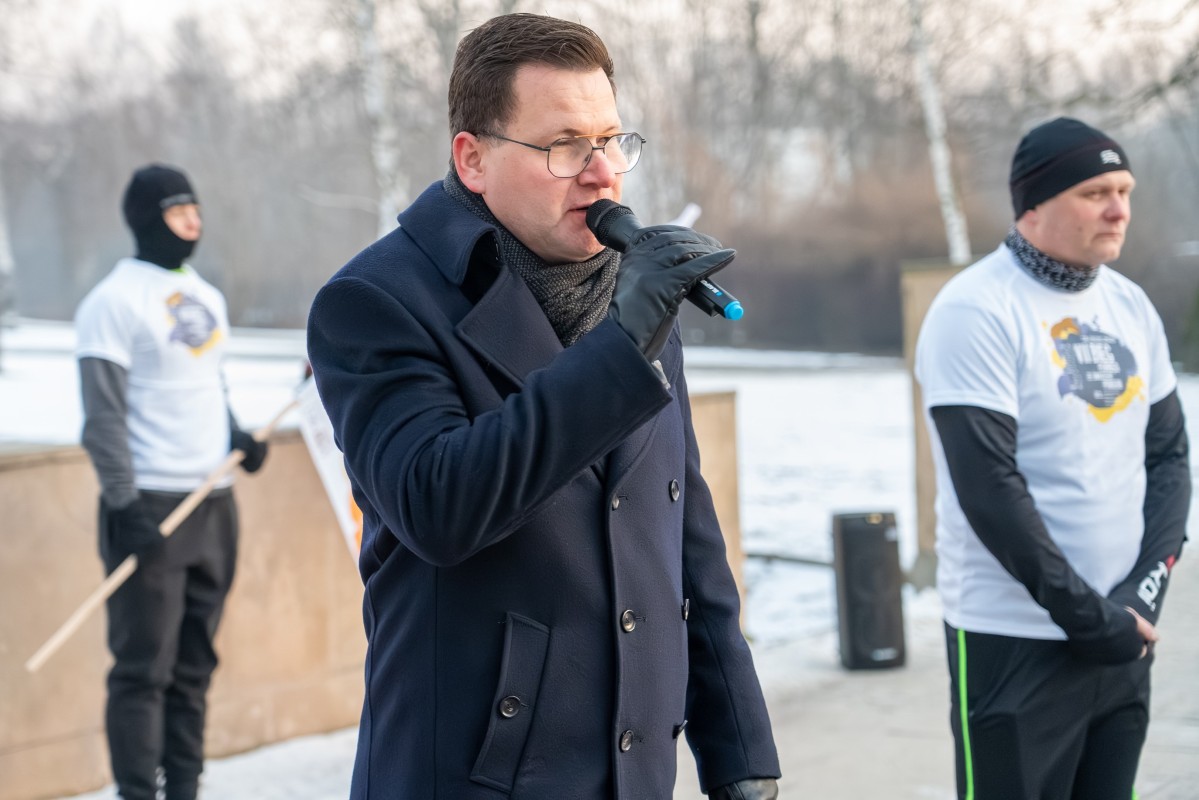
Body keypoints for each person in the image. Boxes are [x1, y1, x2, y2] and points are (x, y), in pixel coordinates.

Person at [306, 12, 780, 800]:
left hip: (634, 772)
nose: (601, 174)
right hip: (478, 777)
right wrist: (621, 347)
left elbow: (682, 531)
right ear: (473, 159)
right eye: (564, 146)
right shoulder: (374, 300)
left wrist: (739, 749)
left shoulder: (632, 300)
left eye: (611, 141)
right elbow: (438, 505)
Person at [915, 118, 1190, 799]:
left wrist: (1140, 595)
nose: (1119, 210)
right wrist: (1089, 617)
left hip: (1123, 634)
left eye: (1124, 191)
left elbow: (1168, 458)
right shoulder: (976, 310)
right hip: (1012, 638)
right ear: (1033, 206)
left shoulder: (1130, 306)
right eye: (1095, 193)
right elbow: (989, 489)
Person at [75, 163, 268, 800]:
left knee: (194, 665)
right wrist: (124, 505)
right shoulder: (111, 303)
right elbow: (103, 418)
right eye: (178, 211)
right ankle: (138, 792)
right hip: (151, 507)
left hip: (214, 502)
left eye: (195, 210)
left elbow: (208, 385)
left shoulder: (204, 295)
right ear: (147, 219)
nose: (193, 222)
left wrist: (235, 435)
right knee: (143, 670)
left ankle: (184, 787)